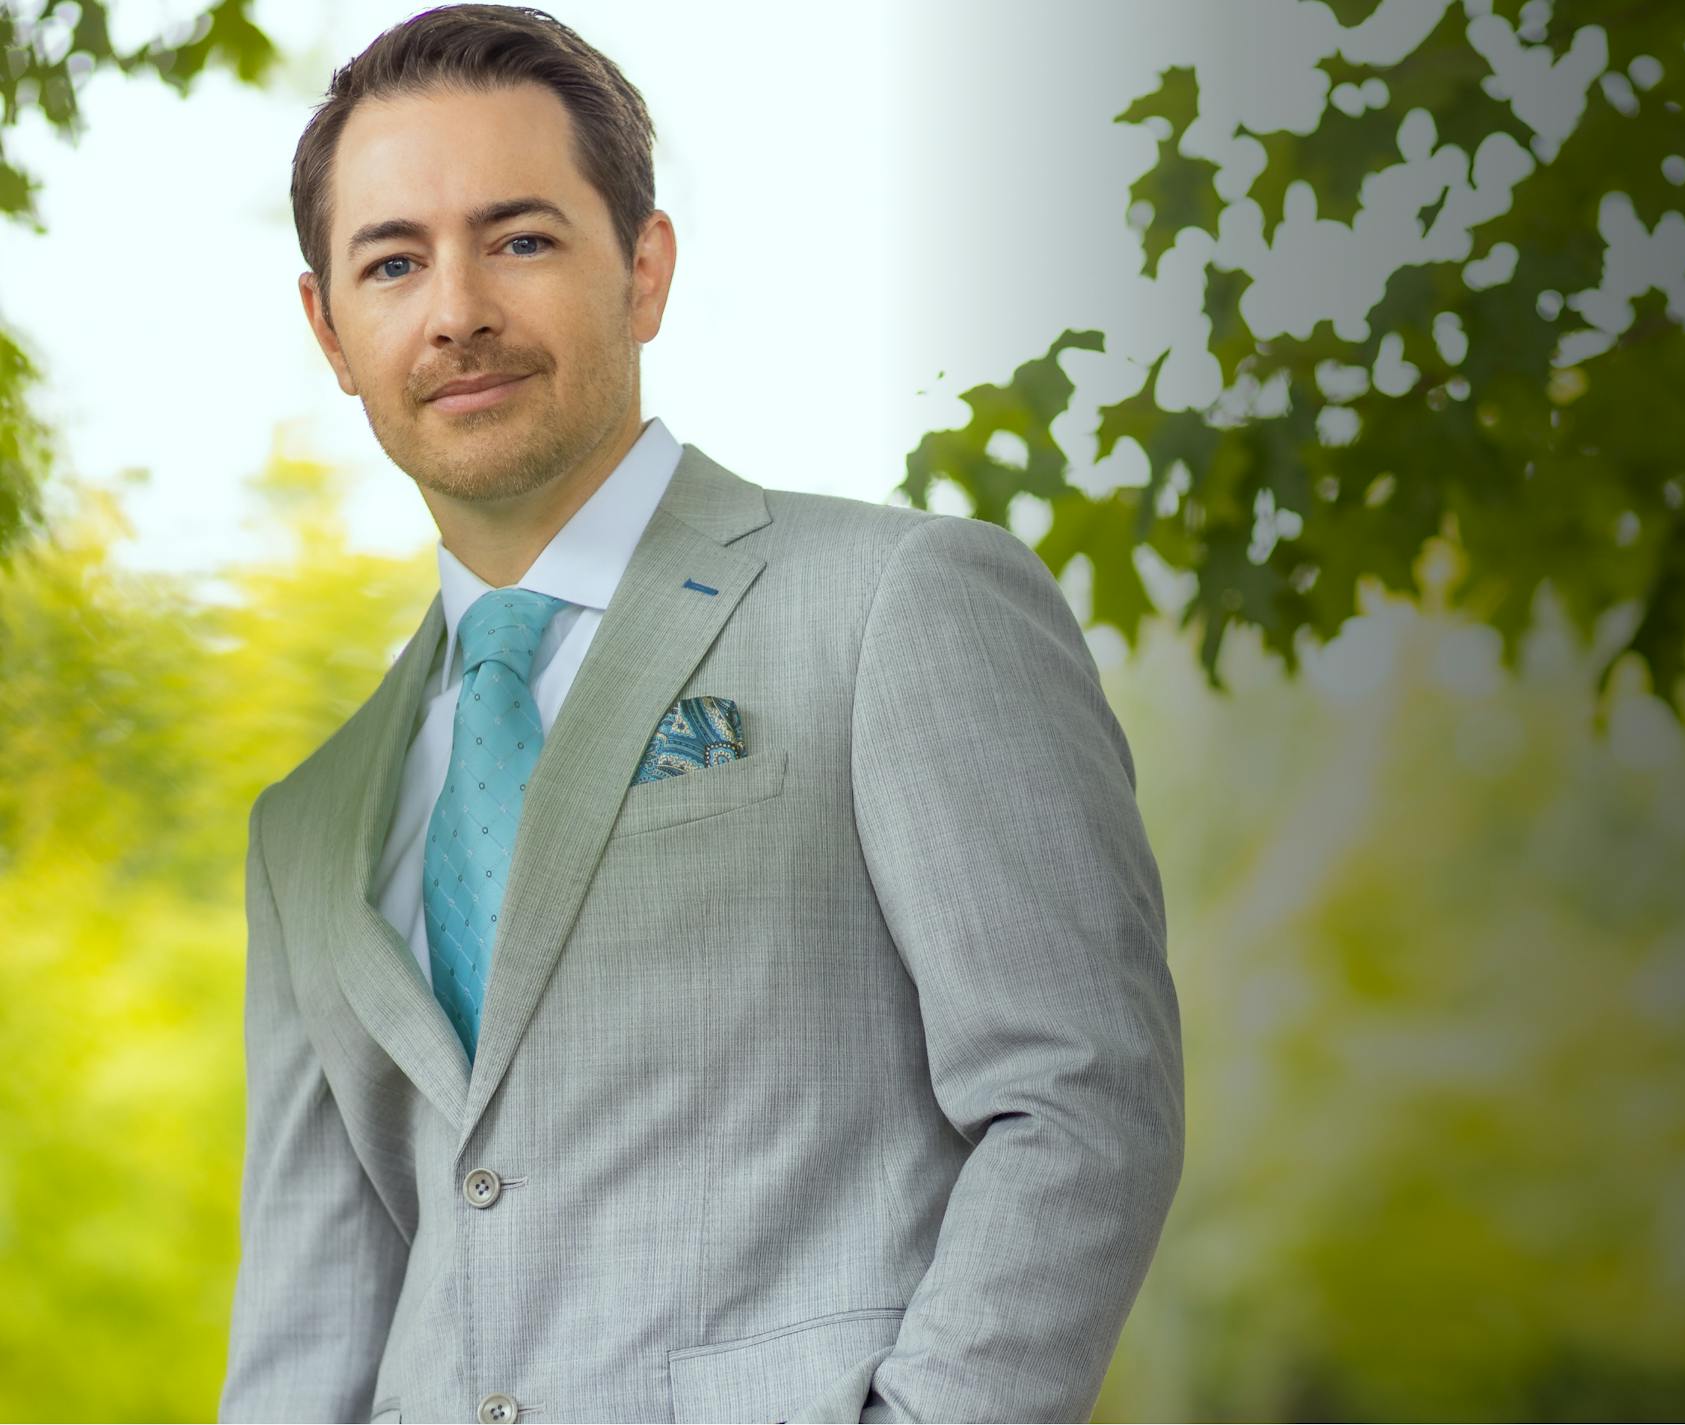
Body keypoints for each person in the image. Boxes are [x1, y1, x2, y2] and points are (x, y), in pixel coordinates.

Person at [215, 7, 1184, 1422]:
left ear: (645, 269)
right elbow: (311, 1318)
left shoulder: (898, 605)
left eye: (522, 238)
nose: (457, 307)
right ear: (331, 328)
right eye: (393, 261)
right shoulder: (304, 823)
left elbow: (1082, 1101)